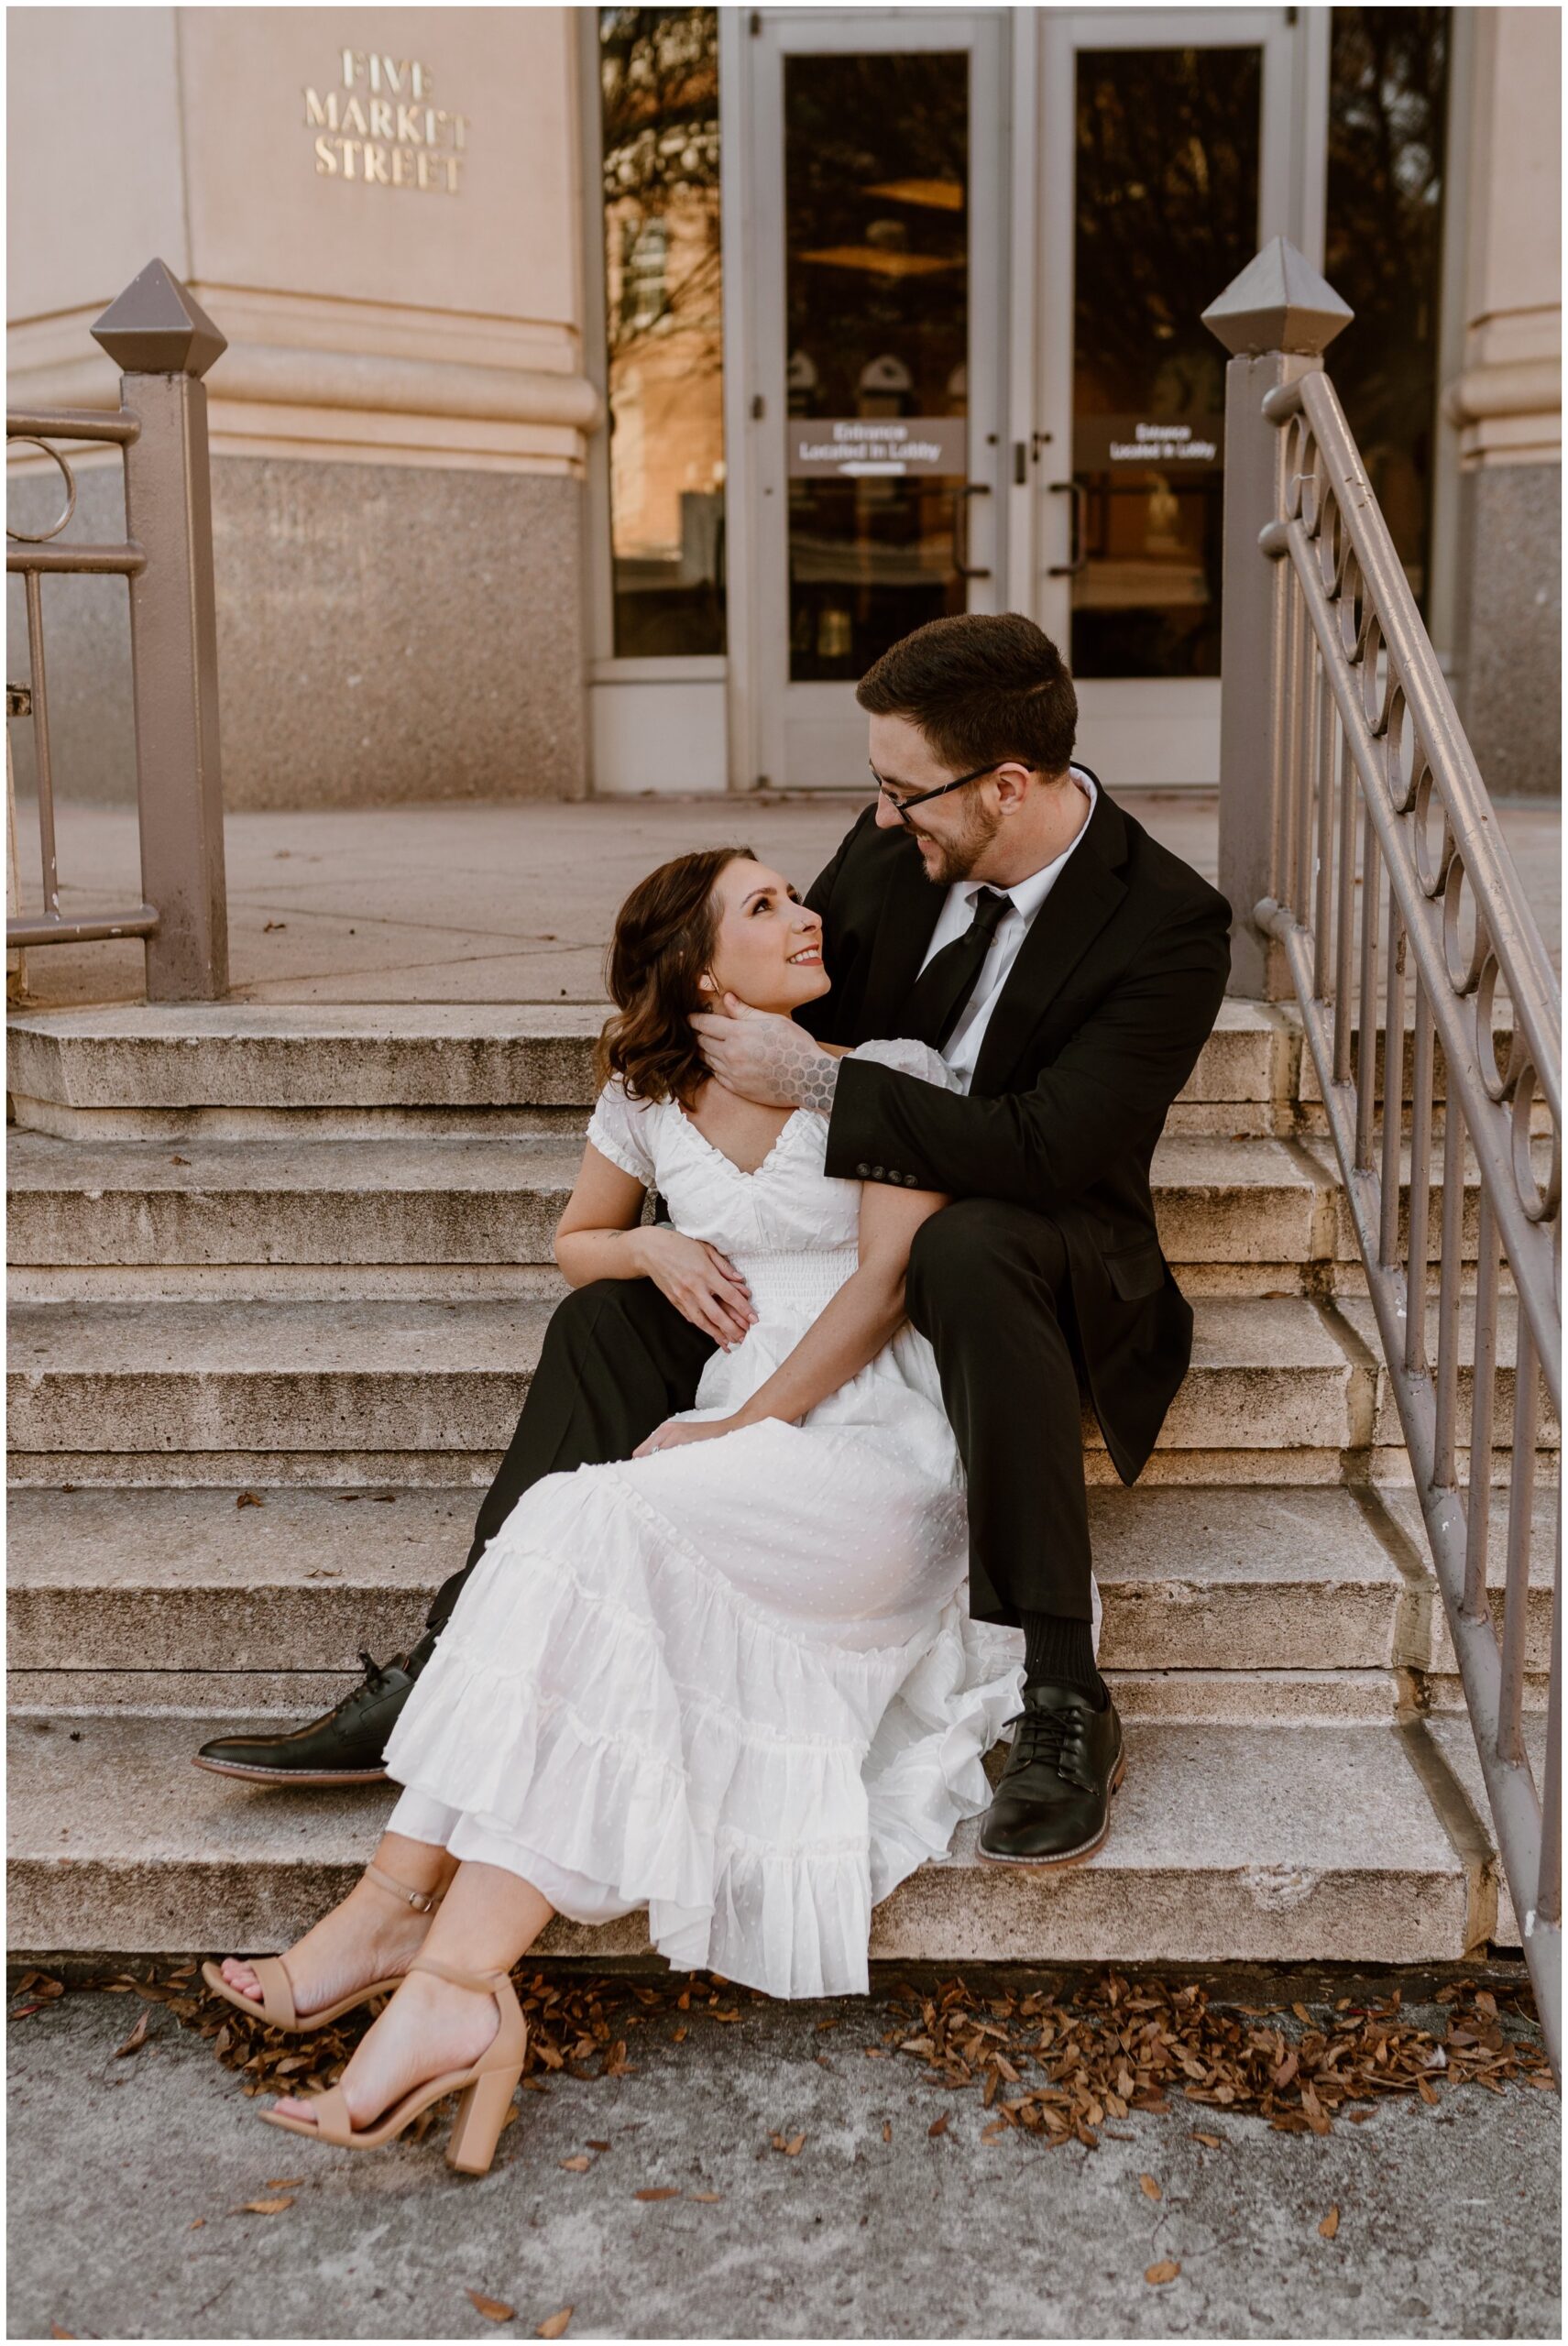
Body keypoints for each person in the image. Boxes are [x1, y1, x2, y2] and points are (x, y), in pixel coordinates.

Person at [199, 608, 1230, 1873]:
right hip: (837, 1239)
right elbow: (764, 965)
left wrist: (825, 1089)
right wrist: (680, 1178)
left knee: (972, 1246)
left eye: (904, 792)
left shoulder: (1169, 924)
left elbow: (1055, 1150)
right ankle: (448, 1655)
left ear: (1004, 786)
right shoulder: (896, 842)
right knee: (601, 1315)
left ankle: (1064, 1696)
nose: (881, 819)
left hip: (1034, 1245)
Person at [205, 842, 1049, 2165]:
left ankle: (393, 1922)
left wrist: (740, 1424)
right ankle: (444, 1989)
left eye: (794, 896)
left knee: (581, 1520)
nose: (806, 914)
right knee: (581, 1540)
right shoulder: (647, 1100)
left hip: (871, 1451)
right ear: (703, 970)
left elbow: (886, 1282)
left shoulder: (884, 1069)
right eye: (765, 906)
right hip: (734, 1453)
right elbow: (575, 1243)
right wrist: (649, 1241)